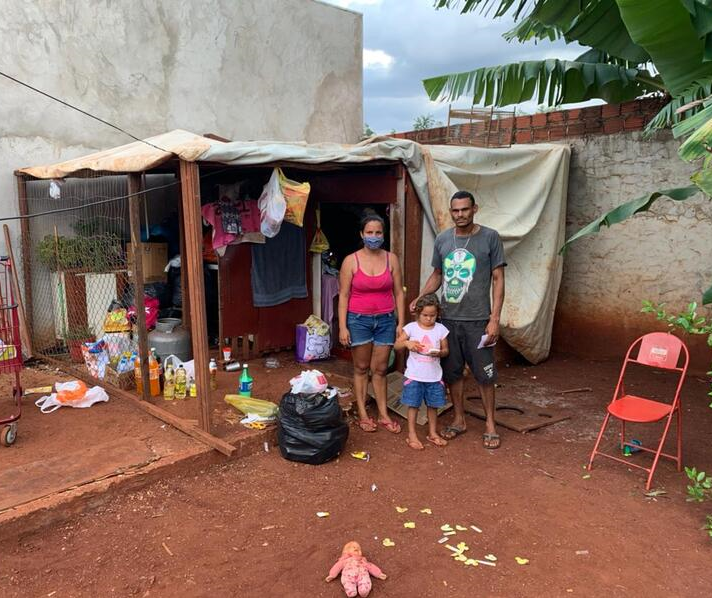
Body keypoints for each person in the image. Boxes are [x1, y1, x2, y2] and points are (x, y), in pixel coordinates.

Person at [410, 190, 506, 449]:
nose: (460, 214)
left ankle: (490, 425)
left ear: (475, 209)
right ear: (450, 212)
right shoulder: (443, 240)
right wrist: (420, 298)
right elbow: (438, 275)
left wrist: (494, 318)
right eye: (455, 210)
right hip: (448, 321)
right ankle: (459, 419)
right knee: (452, 373)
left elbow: (498, 279)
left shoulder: (490, 238)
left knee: (485, 375)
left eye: (465, 209)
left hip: (479, 321)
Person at [339, 211, 406, 433]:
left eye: (378, 232)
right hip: (358, 320)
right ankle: (364, 413)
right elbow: (344, 296)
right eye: (370, 232)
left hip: (386, 320)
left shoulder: (391, 258)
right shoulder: (351, 261)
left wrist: (400, 324)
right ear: (362, 234)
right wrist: (342, 327)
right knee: (360, 368)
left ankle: (383, 414)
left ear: (383, 234)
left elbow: (399, 293)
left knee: (380, 369)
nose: (374, 236)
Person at [394, 294, 450, 450]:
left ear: (437, 314)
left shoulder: (441, 329)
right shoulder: (411, 328)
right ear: (418, 313)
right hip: (414, 376)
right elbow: (396, 346)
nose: (429, 319)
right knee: (413, 405)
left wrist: (439, 352)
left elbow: (446, 350)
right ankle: (411, 434)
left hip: (434, 376)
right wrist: (407, 343)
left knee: (433, 406)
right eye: (425, 315)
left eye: (433, 315)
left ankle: (432, 433)